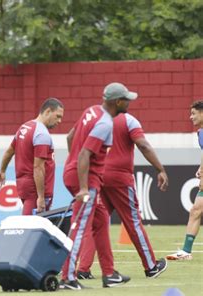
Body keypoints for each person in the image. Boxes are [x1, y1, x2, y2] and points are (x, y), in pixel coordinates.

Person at [59, 82, 136, 290]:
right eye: (126, 99)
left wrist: (73, 164)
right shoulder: (105, 123)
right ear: (118, 102)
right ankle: (67, 277)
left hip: (74, 172)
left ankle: (109, 273)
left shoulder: (91, 111)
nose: (129, 102)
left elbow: (70, 136)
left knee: (101, 220)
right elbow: (85, 153)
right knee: (80, 226)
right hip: (86, 180)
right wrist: (84, 187)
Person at [76, 111, 169, 280]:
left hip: (98, 176)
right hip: (120, 178)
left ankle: (83, 269)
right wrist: (160, 169)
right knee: (132, 221)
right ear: (119, 102)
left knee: (96, 222)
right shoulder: (128, 120)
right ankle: (151, 266)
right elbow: (143, 145)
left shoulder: (97, 120)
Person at [0, 98, 64, 215]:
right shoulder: (42, 134)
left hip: (23, 185)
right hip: (36, 189)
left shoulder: (24, 127)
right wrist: (41, 197)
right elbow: (38, 167)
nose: (60, 121)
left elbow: (9, 152)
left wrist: (2, 170)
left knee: (32, 225)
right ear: (47, 111)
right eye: (57, 116)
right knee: (32, 226)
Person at [167, 100, 203, 260]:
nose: (190, 117)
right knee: (196, 210)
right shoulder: (201, 133)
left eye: (194, 113)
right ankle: (186, 251)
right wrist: (201, 169)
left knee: (196, 210)